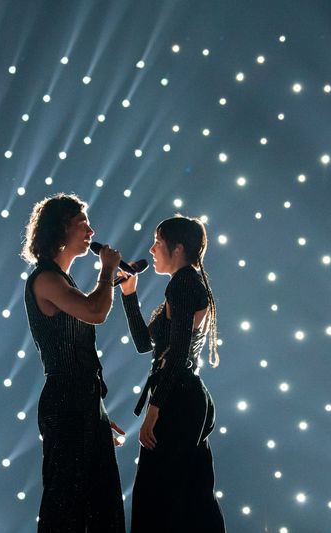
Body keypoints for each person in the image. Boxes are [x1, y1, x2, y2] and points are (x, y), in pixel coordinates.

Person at [21, 193, 126, 532]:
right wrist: (107, 271)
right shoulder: (46, 279)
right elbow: (95, 311)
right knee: (67, 503)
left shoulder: (64, 281)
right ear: (61, 228)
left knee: (100, 501)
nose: (91, 232)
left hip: (83, 402)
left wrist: (98, 414)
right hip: (66, 402)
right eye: (83, 224)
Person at [118, 215, 226, 532]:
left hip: (178, 399)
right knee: (190, 494)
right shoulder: (187, 283)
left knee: (163, 497)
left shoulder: (183, 284)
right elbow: (144, 343)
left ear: (177, 248)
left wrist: (154, 411)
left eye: (158, 242)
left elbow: (177, 355)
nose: (151, 250)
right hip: (183, 395)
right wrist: (129, 294)